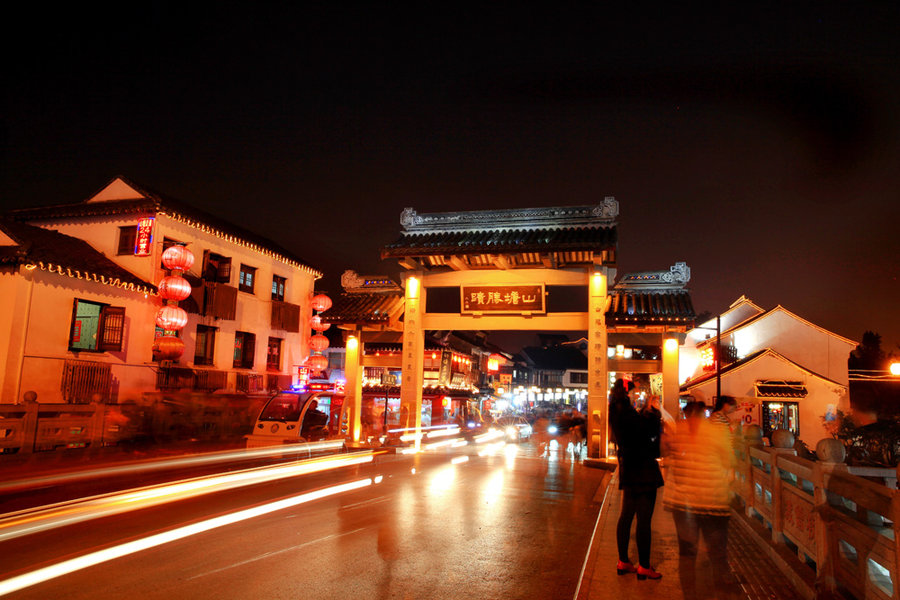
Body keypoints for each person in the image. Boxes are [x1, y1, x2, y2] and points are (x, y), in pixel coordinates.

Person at [663, 401, 737, 598]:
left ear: (686, 414)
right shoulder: (716, 432)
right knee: (717, 552)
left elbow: (668, 457)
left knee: (687, 554)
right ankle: (720, 591)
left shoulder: (678, 431)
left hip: (684, 504)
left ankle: (690, 594)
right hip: (713, 501)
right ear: (704, 414)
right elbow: (729, 460)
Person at [608, 379, 664, 580]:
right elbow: (646, 433)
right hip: (643, 470)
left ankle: (623, 560)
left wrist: (645, 412)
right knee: (643, 519)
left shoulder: (616, 409)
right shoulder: (627, 412)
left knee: (626, 516)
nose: (636, 395)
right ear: (626, 392)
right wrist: (653, 412)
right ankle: (644, 566)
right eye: (634, 392)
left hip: (629, 469)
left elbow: (634, 429)